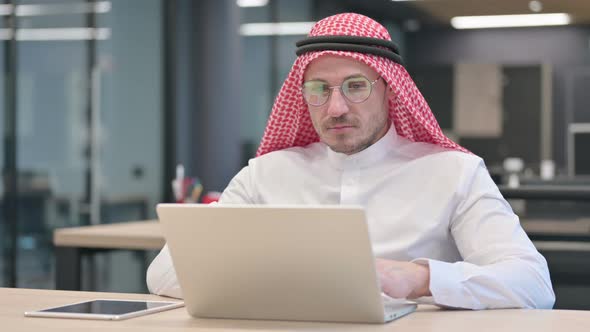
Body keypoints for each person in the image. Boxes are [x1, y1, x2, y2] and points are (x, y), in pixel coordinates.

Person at [147, 13, 555, 309]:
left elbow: (533, 284)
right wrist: (290, 280)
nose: (335, 107)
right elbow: (163, 274)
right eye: (319, 89)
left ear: (390, 92)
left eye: (356, 86)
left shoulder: (454, 172)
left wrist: (418, 278)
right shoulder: (265, 175)